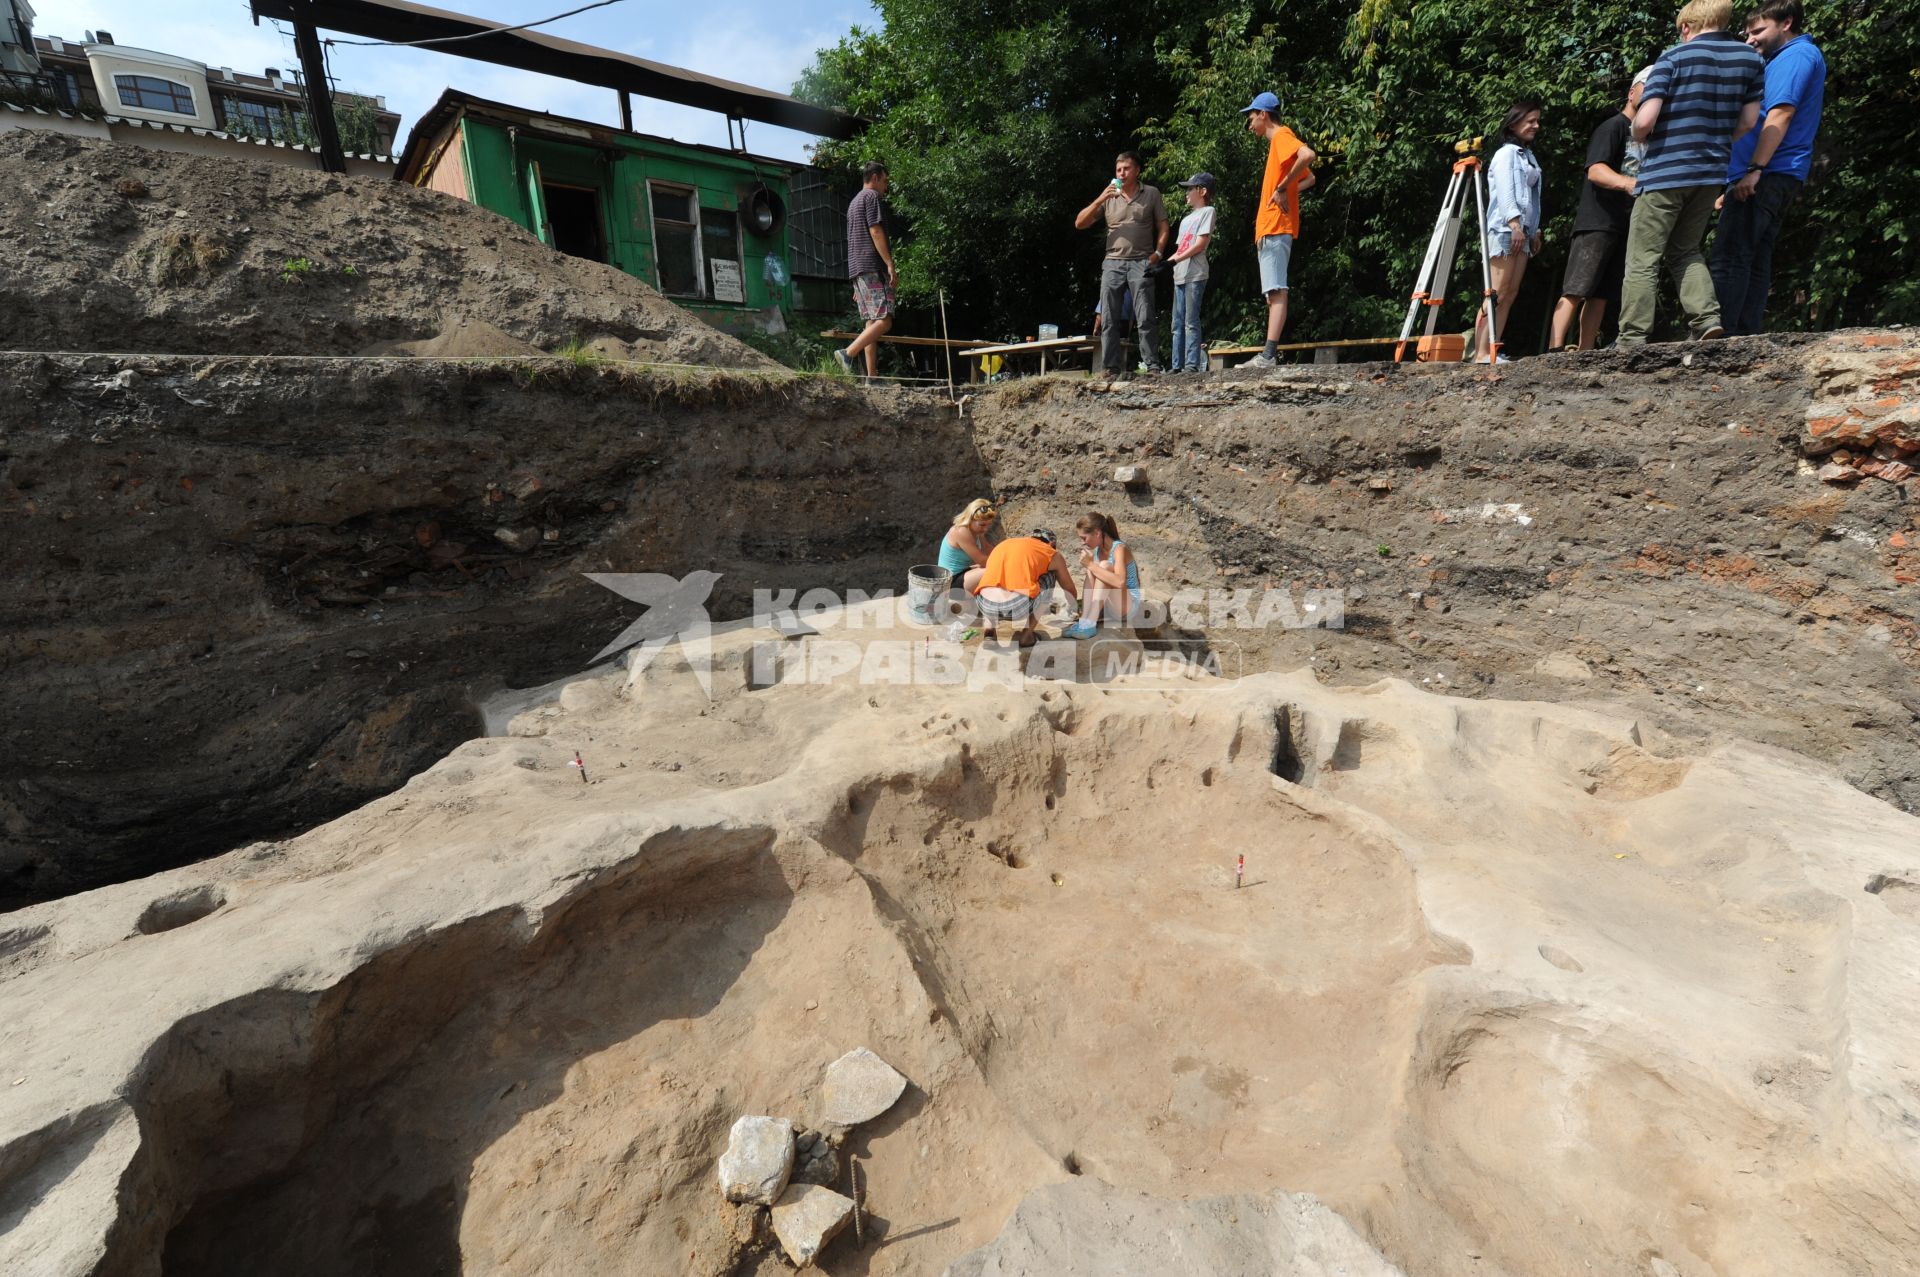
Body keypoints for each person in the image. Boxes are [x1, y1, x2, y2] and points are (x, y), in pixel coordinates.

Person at [1617, 0, 1765, 346]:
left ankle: (1631, 336)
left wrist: (1638, 132)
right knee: (1685, 249)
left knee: (1643, 257)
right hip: (1710, 172)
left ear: (1686, 27)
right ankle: (1707, 320)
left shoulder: (1673, 58)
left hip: (1666, 172)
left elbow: (1645, 122)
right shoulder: (1751, 60)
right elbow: (1747, 122)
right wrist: (1712, 142)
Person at [1711, 0, 1826, 335]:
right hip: (1769, 173)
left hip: (1768, 172)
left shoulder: (1797, 56)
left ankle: (1717, 341)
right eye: (1748, 33)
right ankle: (1744, 338)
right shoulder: (1783, 59)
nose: (1751, 39)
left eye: (1758, 31)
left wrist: (1754, 169)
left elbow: (1780, 114)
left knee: (1729, 257)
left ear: (1786, 22)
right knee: (1754, 257)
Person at [1550, 72, 1650, 351]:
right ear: (1631, 93)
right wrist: (1628, 182)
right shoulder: (1613, 127)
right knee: (1576, 288)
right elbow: (1596, 170)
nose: (1652, 94)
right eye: (1647, 88)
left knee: (1602, 295)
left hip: (1625, 223)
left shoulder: (1646, 135)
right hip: (1598, 221)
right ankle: (1554, 351)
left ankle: (1585, 352)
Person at [1075, 152, 1170, 377]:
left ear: (1137, 171)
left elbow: (1163, 226)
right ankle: (1110, 367)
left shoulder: (1151, 193)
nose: (1122, 173)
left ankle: (1152, 366)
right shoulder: (1109, 196)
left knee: (1145, 314)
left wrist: (1157, 253)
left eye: (1126, 169)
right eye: (1118, 170)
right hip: (1112, 262)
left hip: (1141, 261)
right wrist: (1100, 198)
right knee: (1109, 316)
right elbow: (1080, 223)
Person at [1240, 92, 1317, 368]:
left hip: (1275, 226)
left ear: (1263, 114)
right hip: (1273, 227)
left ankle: (1268, 356)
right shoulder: (1277, 146)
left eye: (1251, 118)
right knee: (1273, 294)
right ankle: (1268, 354)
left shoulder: (1282, 135)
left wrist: (1282, 188)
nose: (1250, 126)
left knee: (1276, 292)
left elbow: (1308, 156)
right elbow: (1310, 177)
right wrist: (1286, 187)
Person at [1474, 103, 1544, 363]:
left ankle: (1491, 349)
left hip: (1523, 231)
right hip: (1506, 229)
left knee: (1510, 292)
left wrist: (1533, 230)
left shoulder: (1527, 155)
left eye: (1537, 121)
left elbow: (1533, 198)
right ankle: (1480, 352)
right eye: (1531, 121)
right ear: (1514, 124)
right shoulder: (1506, 155)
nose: (1536, 126)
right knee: (1496, 292)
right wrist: (1514, 225)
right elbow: (1505, 192)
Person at [834, 162, 898, 382]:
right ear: (875, 177)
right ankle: (848, 353)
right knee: (885, 320)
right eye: (885, 181)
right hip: (872, 265)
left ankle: (871, 377)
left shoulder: (854, 203)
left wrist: (858, 282)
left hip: (858, 269)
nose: (885, 187)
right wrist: (889, 262)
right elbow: (875, 230)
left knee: (871, 321)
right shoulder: (871, 198)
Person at [972, 530, 1080, 648]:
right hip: (1017, 607)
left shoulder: (1005, 544)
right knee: (1051, 574)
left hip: (983, 604)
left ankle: (989, 632)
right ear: (1052, 545)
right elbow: (1069, 588)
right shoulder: (1051, 553)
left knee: (993, 580)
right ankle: (1027, 636)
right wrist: (1074, 608)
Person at [1062, 512, 1143, 638]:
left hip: (1128, 606)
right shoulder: (1098, 551)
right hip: (1110, 607)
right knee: (1093, 568)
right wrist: (1091, 566)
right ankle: (1084, 621)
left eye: (1084, 538)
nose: (1083, 542)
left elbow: (1120, 582)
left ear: (1097, 533)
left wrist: (1091, 565)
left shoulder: (1119, 549)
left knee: (1102, 566)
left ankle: (1090, 624)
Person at [1168, 173, 1217, 374]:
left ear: (1202, 191)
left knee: (1190, 320)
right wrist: (1163, 265)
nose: (1186, 193)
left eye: (1190, 188)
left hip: (1195, 274)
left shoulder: (1208, 211)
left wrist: (1174, 260)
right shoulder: (1185, 219)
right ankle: (1176, 365)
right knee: (1176, 322)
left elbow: (1200, 244)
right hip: (1179, 274)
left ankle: (1191, 364)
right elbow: (1180, 249)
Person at [938, 498, 998, 595]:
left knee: (996, 567)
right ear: (970, 519)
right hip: (949, 584)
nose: (986, 529)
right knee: (994, 570)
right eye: (982, 525)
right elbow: (983, 561)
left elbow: (987, 548)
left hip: (963, 573)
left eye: (988, 525)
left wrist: (1005, 553)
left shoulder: (977, 531)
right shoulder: (961, 532)